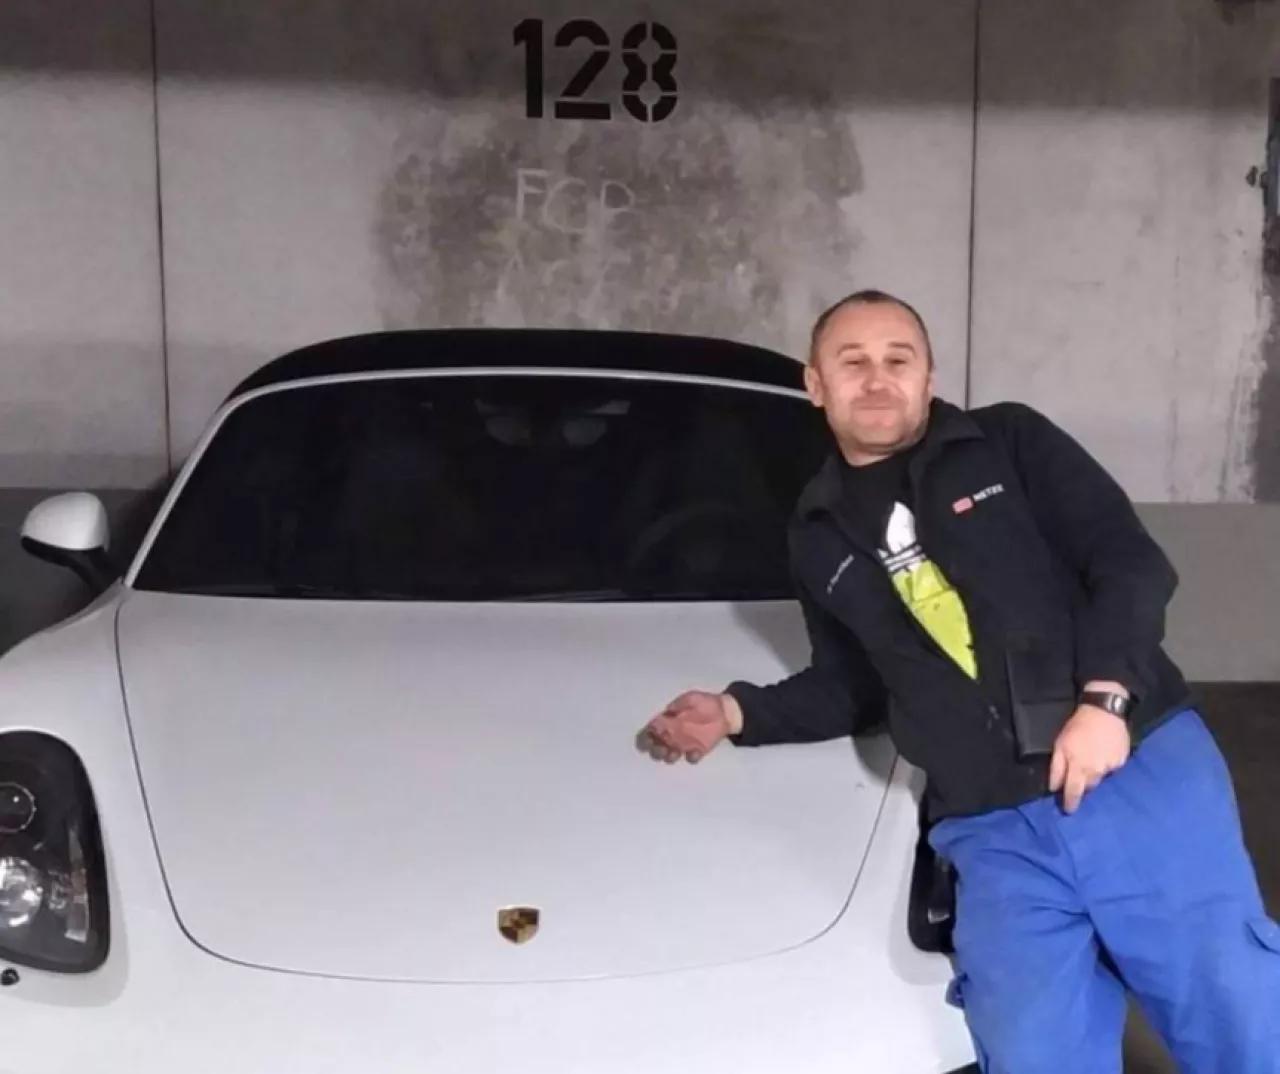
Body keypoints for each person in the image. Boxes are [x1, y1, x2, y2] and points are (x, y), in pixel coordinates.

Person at [636, 289, 1280, 1073]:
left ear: (929, 376)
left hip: (1130, 767)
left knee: (1233, 1013)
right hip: (990, 829)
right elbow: (854, 683)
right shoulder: (816, 531)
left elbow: (1129, 564)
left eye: (897, 359)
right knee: (1031, 1052)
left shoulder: (1008, 442)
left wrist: (1106, 699)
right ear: (816, 384)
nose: (878, 379)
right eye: (853, 362)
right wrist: (738, 712)